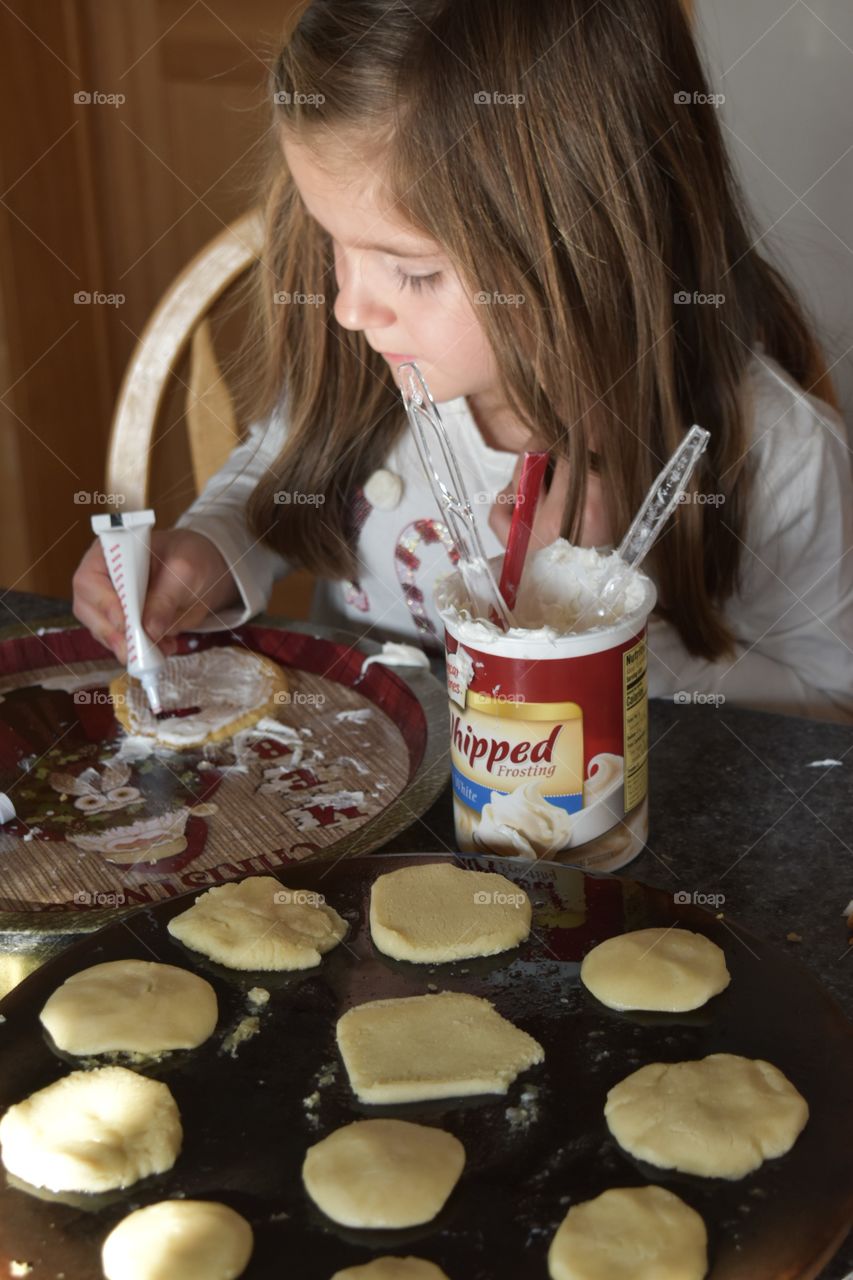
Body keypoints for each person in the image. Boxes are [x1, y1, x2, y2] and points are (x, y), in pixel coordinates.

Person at [72, 0, 853, 721]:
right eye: (329, 241)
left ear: (591, 246)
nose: (349, 308)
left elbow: (829, 710)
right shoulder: (376, 363)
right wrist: (212, 549)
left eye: (412, 271)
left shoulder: (774, 459)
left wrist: (596, 625)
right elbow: (279, 476)